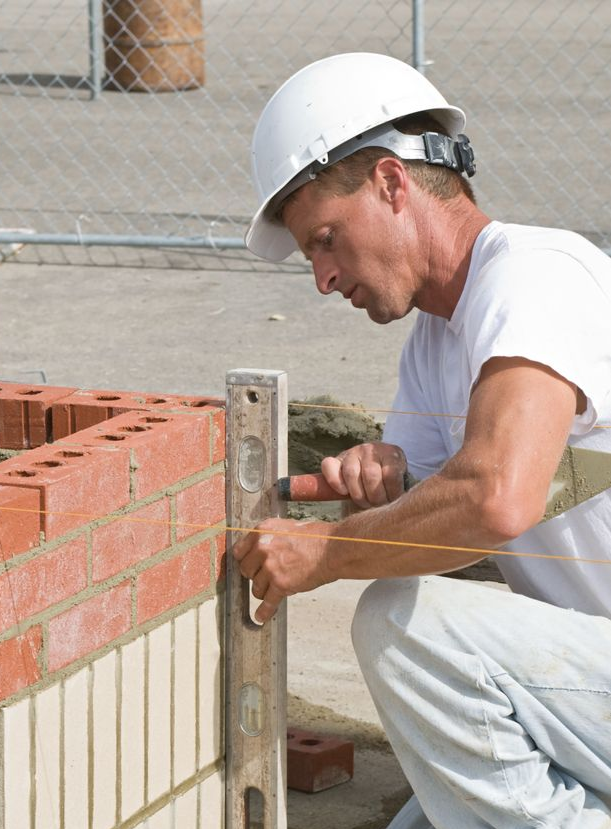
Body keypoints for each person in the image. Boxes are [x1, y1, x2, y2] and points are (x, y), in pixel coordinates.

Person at [233, 52, 611, 828]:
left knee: (400, 625)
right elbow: (447, 517)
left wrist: (328, 550)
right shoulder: (434, 344)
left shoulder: (534, 278)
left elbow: (492, 499)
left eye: (326, 239)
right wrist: (394, 483)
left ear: (391, 184)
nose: (323, 278)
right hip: (592, 677)